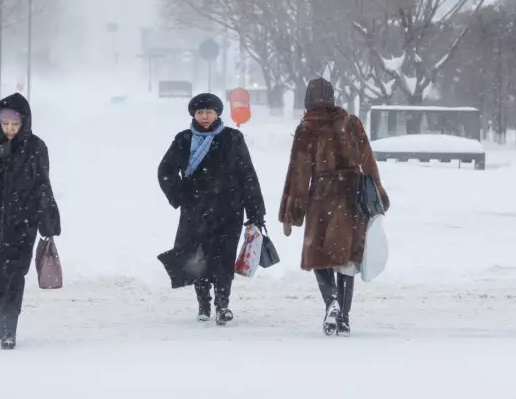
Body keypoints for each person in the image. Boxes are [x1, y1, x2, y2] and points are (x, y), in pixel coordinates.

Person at [279, 78, 389, 336]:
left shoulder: (307, 128)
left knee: (319, 256)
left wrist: (291, 214)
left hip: (322, 199)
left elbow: (298, 174)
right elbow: (369, 163)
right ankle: (345, 319)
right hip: (352, 200)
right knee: (347, 260)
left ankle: (332, 302)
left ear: (307, 101)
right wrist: (378, 196)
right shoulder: (351, 123)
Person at [157, 93, 266, 324]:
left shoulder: (233, 138)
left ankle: (223, 304)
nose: (204, 117)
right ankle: (204, 303)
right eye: (199, 112)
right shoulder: (184, 139)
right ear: (193, 115)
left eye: (209, 112)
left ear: (218, 113)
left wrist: (256, 210)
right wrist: (180, 195)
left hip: (230, 209)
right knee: (199, 257)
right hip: (196, 210)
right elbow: (165, 171)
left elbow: (247, 174)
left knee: (224, 257)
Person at [0, 93, 61, 350]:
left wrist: (47, 222)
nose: (9, 130)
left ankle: (9, 328)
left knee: (15, 274)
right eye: (5, 124)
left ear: (24, 123)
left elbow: (42, 184)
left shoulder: (35, 147)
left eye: (14, 125)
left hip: (22, 223)